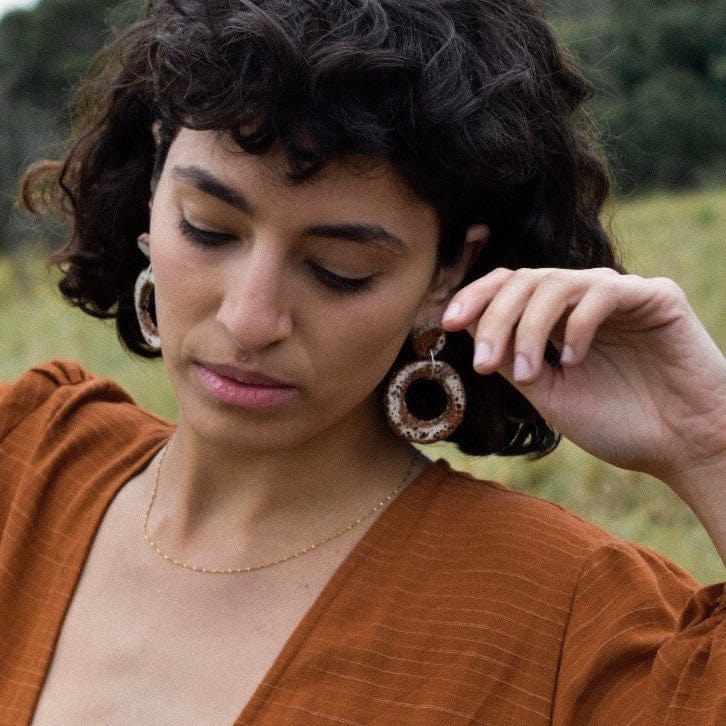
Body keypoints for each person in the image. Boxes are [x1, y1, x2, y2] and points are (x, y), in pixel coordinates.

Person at [1, 0, 724, 723]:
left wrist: (711, 442)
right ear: (157, 181)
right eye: (209, 230)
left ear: (447, 274)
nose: (250, 319)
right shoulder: (24, 466)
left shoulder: (562, 618)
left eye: (339, 269)